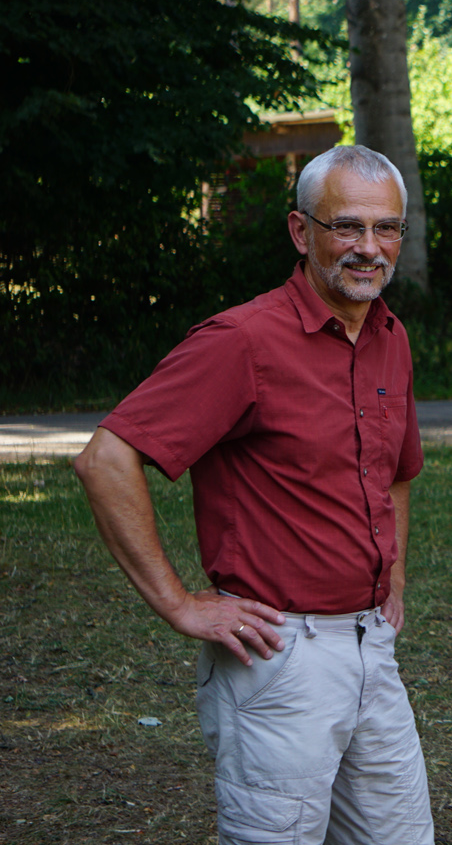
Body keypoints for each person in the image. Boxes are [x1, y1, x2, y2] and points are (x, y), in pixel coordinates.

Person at [73, 145, 433, 845]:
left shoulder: (390, 335)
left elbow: (397, 470)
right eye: (346, 227)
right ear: (302, 232)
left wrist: (394, 572)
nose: (368, 248)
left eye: (386, 228)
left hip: (372, 649)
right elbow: (106, 459)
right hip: (279, 657)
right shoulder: (242, 340)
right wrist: (179, 603)